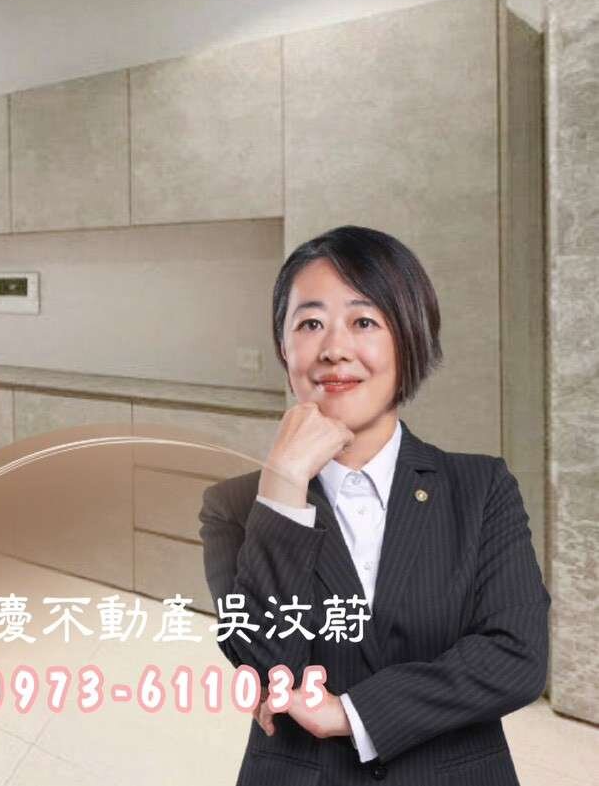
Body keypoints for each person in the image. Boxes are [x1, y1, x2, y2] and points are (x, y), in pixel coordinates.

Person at [199, 225, 548, 785]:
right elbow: (269, 668)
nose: (334, 349)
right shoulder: (237, 507)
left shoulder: (481, 487)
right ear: (284, 348)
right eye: (310, 324)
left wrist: (351, 713)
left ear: (408, 338)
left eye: (363, 322)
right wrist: (284, 487)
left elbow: (517, 658)